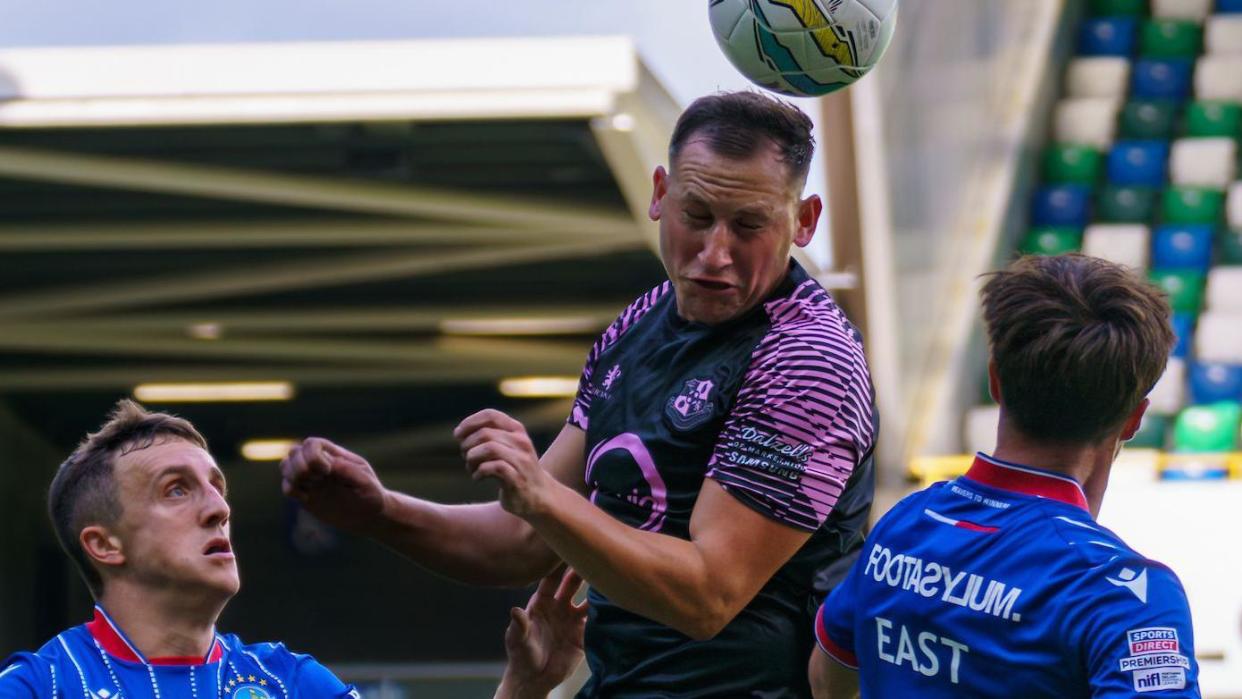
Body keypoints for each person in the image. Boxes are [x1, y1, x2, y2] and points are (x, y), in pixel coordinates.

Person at [280, 90, 878, 697]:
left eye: (749, 224)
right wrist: (381, 512)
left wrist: (539, 493)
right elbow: (522, 542)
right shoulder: (639, 324)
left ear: (803, 221)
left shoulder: (808, 362)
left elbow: (708, 595)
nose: (714, 252)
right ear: (659, 194)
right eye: (696, 216)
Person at [0, 399, 581, 699]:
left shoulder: (285, 680)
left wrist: (525, 686)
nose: (218, 508)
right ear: (104, 545)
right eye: (176, 490)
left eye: (216, 487)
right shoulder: (39, 686)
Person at [809, 254, 1200, 697]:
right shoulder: (1127, 596)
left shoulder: (904, 524)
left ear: (996, 381)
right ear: (1134, 419)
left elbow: (827, 679)